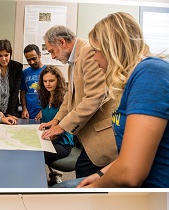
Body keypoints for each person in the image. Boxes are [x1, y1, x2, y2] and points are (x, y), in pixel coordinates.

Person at [68, 12, 169, 188]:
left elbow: (130, 173)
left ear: (113, 48)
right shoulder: (136, 78)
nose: (94, 58)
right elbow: (130, 155)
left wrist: (92, 188)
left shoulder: (150, 73)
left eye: (97, 51)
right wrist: (100, 174)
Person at [39, 25, 119, 178]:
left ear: (62, 42)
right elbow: (71, 95)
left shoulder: (88, 52)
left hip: (101, 134)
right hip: (87, 135)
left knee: (86, 175)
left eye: (52, 51)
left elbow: (94, 97)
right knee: (83, 172)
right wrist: (56, 120)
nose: (53, 57)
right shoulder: (73, 60)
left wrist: (62, 126)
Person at [37, 65, 74, 185]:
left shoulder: (64, 99)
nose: (48, 84)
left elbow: (66, 125)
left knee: (36, 156)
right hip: (48, 139)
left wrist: (52, 136)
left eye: (51, 81)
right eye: (45, 81)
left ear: (58, 80)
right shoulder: (45, 96)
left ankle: (38, 184)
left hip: (63, 143)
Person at [0, 39, 23, 118]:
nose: (3, 59)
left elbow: (16, 91)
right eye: (0, 56)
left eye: (6, 55)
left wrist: (10, 113)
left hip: (11, 111)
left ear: (10, 54)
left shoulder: (17, 67)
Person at [21, 44, 45, 119]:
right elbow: (23, 92)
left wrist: (44, 110)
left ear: (40, 55)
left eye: (34, 59)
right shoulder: (25, 73)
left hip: (44, 112)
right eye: (28, 60)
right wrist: (24, 108)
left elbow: (53, 94)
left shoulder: (48, 71)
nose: (31, 62)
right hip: (29, 112)